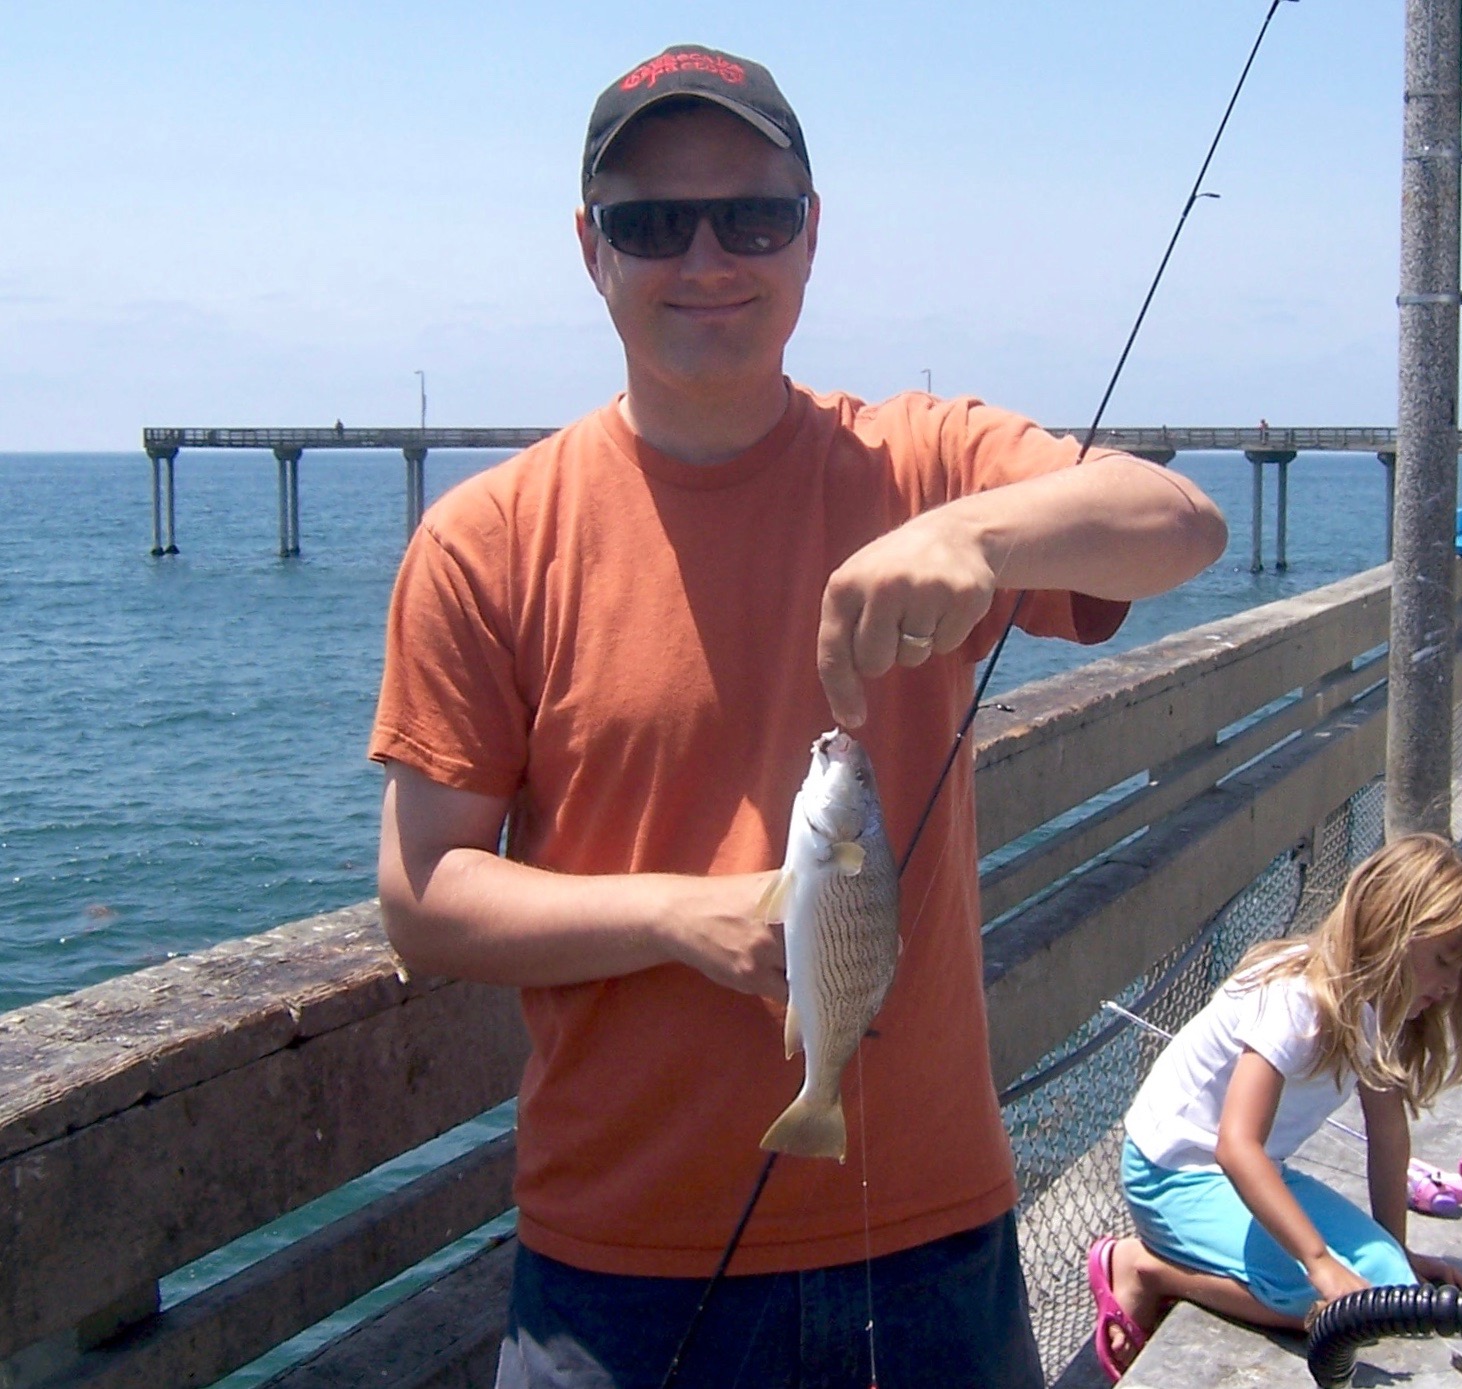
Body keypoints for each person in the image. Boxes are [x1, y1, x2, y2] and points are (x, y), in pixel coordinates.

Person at [368, 43, 1228, 1389]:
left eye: (753, 216)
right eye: (653, 224)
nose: (707, 258)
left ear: (811, 235)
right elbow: (422, 895)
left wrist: (983, 535)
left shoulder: (925, 461)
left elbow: (1181, 526)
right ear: (591, 251)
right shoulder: (485, 542)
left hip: (931, 1235)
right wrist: (676, 917)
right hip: (618, 1278)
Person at [1087, 834, 1462, 1382]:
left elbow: (1388, 1138)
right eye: (1443, 961)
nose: (1451, 988)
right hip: (1173, 1175)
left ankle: (1335, 1270)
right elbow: (1236, 1147)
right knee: (1335, 1304)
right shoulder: (1296, 999)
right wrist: (1320, 1262)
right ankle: (1146, 1269)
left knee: (1388, 1292)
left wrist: (1395, 1252)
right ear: (1387, 930)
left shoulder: (1383, 1007)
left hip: (1247, 1172)